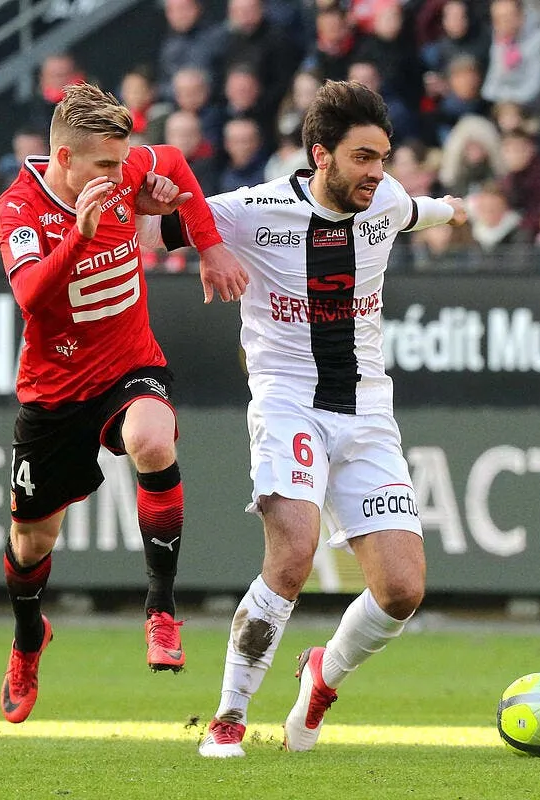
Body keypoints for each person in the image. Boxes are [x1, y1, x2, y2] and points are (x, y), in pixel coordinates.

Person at [157, 80, 467, 758]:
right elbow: (156, 229)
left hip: (367, 411)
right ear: (320, 155)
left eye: (383, 157)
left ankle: (323, 674)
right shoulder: (249, 211)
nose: (377, 173)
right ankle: (229, 717)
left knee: (402, 589)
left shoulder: (384, 199)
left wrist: (452, 208)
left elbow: (420, 210)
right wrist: (102, 213)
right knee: (293, 553)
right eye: (363, 158)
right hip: (288, 399)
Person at [0, 82, 248, 725]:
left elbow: (178, 166)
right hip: (53, 391)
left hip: (129, 364)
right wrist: (77, 237)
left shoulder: (124, 167)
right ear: (64, 159)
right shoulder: (18, 209)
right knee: (31, 542)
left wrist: (209, 245)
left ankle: (161, 611)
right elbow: (31, 300)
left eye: (121, 161)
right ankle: (27, 641)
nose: (118, 173)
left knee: (154, 439)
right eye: (104, 165)